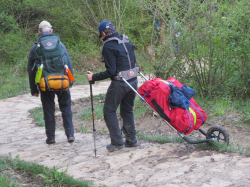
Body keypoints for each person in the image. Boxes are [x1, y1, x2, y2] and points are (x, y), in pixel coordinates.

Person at [87, 21, 138, 152]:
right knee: (127, 110)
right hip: (133, 80)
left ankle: (117, 142)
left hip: (119, 83)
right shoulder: (126, 40)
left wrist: (94, 77)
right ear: (113, 30)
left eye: (102, 35)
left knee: (109, 110)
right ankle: (131, 140)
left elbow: (111, 71)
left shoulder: (108, 46)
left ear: (103, 33)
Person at [27, 20, 75, 144]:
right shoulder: (60, 44)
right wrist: (70, 80)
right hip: (62, 82)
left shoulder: (36, 47)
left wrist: (34, 89)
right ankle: (70, 135)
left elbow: (31, 70)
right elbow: (68, 63)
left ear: (39, 32)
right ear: (51, 31)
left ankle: (51, 138)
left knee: (48, 110)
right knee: (66, 108)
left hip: (45, 83)